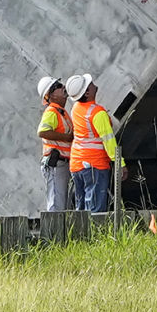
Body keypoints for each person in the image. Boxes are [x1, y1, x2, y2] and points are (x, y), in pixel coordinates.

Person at [65, 74, 119, 213]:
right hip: (94, 165)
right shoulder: (97, 113)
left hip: (76, 164)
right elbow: (109, 141)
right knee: (95, 209)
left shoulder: (76, 108)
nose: (93, 83)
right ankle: (94, 234)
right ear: (87, 92)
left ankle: (81, 234)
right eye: (90, 83)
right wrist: (120, 164)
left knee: (81, 209)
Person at [37, 76, 72, 212]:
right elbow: (42, 132)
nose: (62, 87)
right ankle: (53, 233)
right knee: (56, 203)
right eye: (58, 86)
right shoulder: (52, 112)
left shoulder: (61, 112)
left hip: (61, 164)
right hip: (56, 164)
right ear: (50, 95)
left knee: (60, 203)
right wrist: (67, 137)